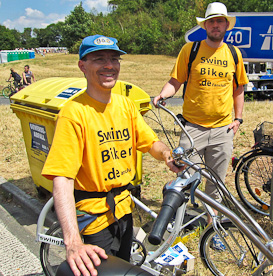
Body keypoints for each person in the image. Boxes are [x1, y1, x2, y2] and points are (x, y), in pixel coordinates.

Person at [42, 34, 182, 276]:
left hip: (123, 209)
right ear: (82, 66)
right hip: (93, 216)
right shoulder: (73, 114)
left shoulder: (125, 105)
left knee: (124, 267)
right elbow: (62, 178)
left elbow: (150, 143)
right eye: (99, 59)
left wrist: (167, 154)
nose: (109, 65)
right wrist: (73, 242)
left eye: (114, 58)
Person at [153, 2, 248, 224]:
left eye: (220, 21)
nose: (216, 25)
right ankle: (177, 222)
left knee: (216, 181)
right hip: (192, 129)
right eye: (212, 21)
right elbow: (176, 80)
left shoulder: (234, 54)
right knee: (185, 176)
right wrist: (162, 95)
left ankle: (212, 223)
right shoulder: (191, 50)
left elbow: (239, 88)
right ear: (205, 25)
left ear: (226, 25)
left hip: (222, 130)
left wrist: (238, 119)